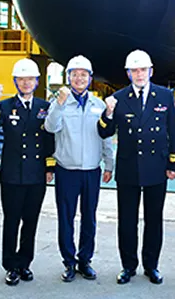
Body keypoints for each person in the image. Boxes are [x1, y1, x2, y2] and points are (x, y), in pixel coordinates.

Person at [97, 49, 175, 285]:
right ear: (128, 73)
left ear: (150, 71)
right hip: (128, 169)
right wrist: (109, 112)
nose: (139, 74)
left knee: (154, 220)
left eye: (143, 70)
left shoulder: (165, 96)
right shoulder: (119, 98)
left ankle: (151, 265)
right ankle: (128, 266)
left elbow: (174, 131)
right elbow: (104, 131)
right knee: (127, 220)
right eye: (134, 70)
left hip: (156, 167)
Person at [43, 55, 114, 282]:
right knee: (66, 217)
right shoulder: (60, 104)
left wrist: (108, 163)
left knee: (89, 218)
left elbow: (106, 137)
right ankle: (69, 262)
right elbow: (50, 127)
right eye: (75, 74)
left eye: (84, 74)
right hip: (67, 170)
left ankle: (85, 260)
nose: (79, 78)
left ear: (90, 78)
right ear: (69, 78)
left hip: (91, 170)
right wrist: (60, 104)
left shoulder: (98, 105)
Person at [0, 58, 55, 286]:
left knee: (31, 221)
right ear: (15, 81)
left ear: (37, 82)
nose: (26, 83)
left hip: (36, 175)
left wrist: (49, 167)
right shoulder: (5, 106)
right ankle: (10, 265)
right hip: (12, 174)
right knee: (12, 220)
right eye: (21, 79)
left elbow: (49, 139)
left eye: (30, 79)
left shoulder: (44, 107)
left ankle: (25, 263)